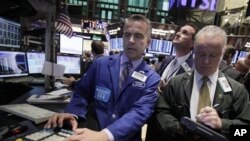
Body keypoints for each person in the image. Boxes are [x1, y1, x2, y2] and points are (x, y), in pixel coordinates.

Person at [45, 14, 160, 141]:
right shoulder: (100, 64)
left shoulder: (152, 78)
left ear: (148, 42)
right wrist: (73, 112)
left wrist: (106, 135)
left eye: (138, 36)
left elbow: (140, 113)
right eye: (127, 35)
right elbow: (82, 92)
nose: (131, 40)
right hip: (91, 132)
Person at [146, 25, 250, 141]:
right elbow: (162, 112)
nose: (206, 61)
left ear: (222, 54)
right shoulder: (176, 83)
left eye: (213, 55)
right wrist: (178, 129)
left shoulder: (238, 91)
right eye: (201, 54)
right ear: (194, 51)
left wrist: (222, 124)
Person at [157, 24, 197, 92]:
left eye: (184, 33)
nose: (178, 34)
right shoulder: (168, 59)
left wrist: (167, 90)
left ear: (192, 43)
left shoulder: (194, 69)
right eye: (179, 31)